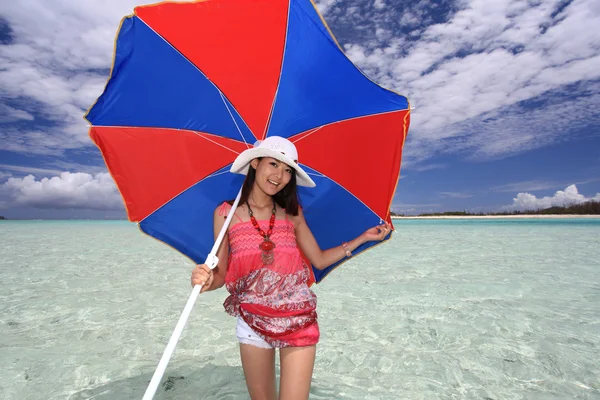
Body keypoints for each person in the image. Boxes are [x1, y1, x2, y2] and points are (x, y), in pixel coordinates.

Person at [191, 136, 391, 400]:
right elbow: (221, 273)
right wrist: (206, 280)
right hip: (252, 318)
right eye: (273, 164)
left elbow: (318, 260)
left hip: (298, 318)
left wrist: (362, 239)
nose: (280, 176)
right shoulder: (225, 214)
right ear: (254, 163)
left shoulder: (292, 213)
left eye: (288, 171)